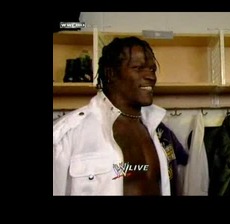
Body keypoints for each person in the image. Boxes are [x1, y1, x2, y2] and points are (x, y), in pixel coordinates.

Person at [53, 36, 187, 196]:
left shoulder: (159, 132)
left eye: (152, 69)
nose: (151, 76)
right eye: (138, 68)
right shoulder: (68, 133)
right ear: (111, 74)